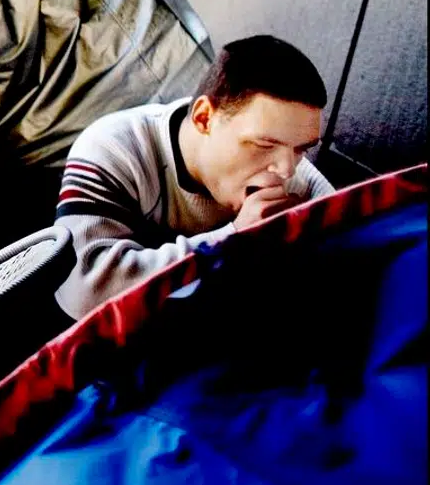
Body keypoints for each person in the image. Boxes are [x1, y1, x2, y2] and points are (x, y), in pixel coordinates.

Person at [54, 35, 335, 319]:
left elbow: (354, 266)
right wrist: (232, 239)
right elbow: (82, 291)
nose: (286, 169)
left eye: (300, 149)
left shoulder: (299, 179)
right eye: (264, 145)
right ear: (204, 118)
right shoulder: (115, 146)